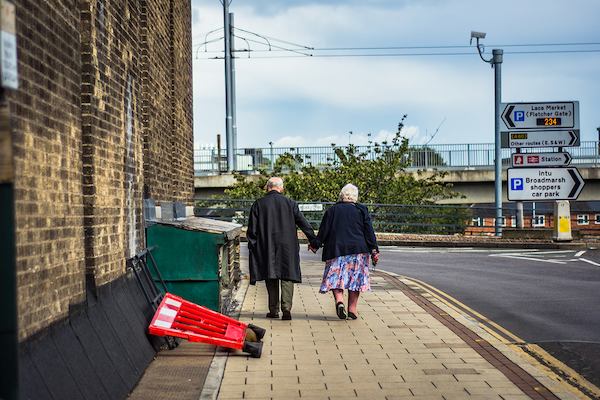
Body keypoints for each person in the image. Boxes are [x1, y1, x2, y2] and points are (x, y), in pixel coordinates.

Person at [247, 177, 317, 321]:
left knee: (270, 275)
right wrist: (314, 241)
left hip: (267, 245)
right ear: (281, 188)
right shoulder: (290, 203)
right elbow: (304, 223)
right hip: (287, 246)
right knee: (287, 275)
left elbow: (252, 231)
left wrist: (253, 246)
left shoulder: (258, 204)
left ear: (268, 187)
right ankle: (286, 308)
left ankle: (273, 310)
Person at [310, 184, 379, 320]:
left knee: (336, 278)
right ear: (355, 197)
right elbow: (369, 231)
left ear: (341, 196)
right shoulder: (361, 209)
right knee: (355, 280)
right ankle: (352, 309)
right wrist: (374, 250)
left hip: (336, 249)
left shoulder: (332, 210)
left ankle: (339, 301)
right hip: (358, 250)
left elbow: (324, 231)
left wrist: (315, 245)